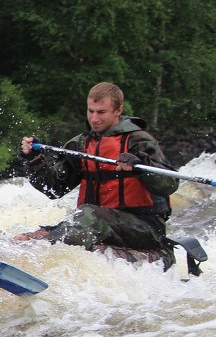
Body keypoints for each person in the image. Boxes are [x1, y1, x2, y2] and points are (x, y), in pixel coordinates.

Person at [17, 82, 177, 253]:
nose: (94, 118)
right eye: (90, 111)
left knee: (88, 215)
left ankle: (39, 250)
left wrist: (141, 166)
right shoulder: (80, 144)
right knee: (41, 232)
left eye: (101, 112)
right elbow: (54, 189)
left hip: (145, 226)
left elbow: (170, 184)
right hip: (100, 221)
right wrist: (34, 160)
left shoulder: (139, 141)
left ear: (118, 110)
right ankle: (26, 250)